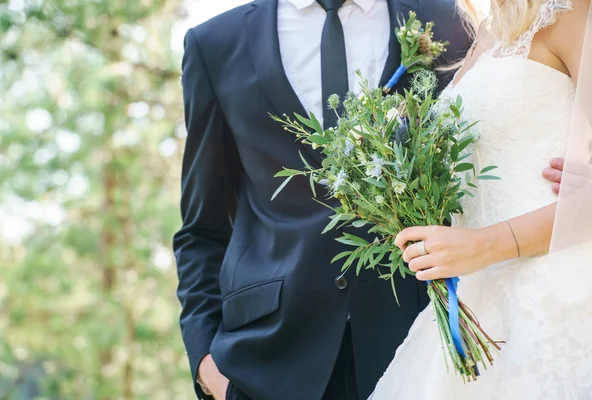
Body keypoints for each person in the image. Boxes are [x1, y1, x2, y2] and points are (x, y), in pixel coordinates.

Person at [173, 1, 567, 399]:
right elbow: (202, 228)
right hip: (269, 361)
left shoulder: (452, 21)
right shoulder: (216, 44)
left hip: (424, 340)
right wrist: (206, 362)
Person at [369, 0, 592, 398]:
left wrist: (485, 244)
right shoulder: (483, 31)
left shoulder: (570, 11)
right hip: (477, 307)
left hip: (558, 294)